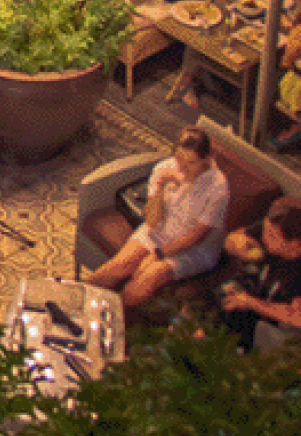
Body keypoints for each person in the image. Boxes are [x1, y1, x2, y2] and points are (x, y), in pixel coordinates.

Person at [84, 127, 230, 312]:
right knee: (118, 266)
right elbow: (152, 221)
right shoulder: (165, 168)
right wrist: (160, 186)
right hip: (159, 232)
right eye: (179, 159)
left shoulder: (218, 187)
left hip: (194, 249)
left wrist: (157, 255)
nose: (182, 168)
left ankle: (109, 318)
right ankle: (74, 303)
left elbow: (196, 236)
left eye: (190, 163)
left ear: (207, 159)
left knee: (147, 277)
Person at [210, 199, 301, 351]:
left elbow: (296, 316)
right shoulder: (273, 226)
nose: (264, 237)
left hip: (279, 327)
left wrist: (250, 302)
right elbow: (231, 239)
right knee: (213, 302)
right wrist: (241, 245)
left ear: (295, 244)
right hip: (253, 300)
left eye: (272, 236)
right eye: (265, 229)